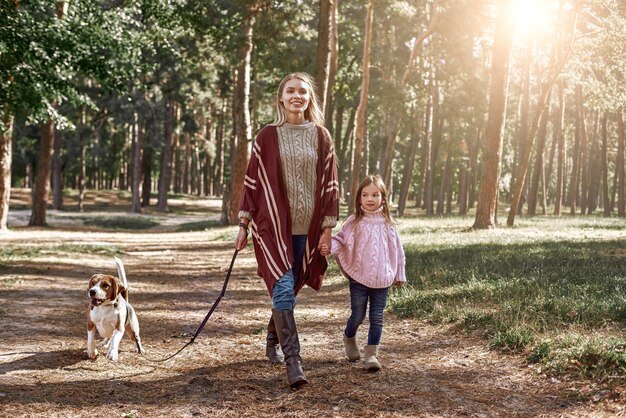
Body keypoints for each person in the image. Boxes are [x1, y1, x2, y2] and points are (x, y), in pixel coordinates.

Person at [235, 72, 339, 388]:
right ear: (281, 97)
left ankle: (272, 336)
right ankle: (294, 362)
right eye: (290, 91)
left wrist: (326, 229)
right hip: (271, 228)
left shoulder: (322, 137)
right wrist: (243, 224)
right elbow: (253, 182)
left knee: (290, 289)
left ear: (309, 99)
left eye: (303, 92)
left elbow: (331, 186)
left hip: (306, 230)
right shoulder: (266, 137)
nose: (297, 96)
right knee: (282, 285)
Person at [328, 175, 406, 372]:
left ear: (383, 198)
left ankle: (371, 354)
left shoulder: (389, 223)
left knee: (377, 317)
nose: (370, 199)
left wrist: (399, 274)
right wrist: (329, 246)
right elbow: (341, 240)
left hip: (383, 277)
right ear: (359, 199)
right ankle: (349, 336)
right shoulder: (354, 222)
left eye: (374, 195)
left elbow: (398, 250)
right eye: (365, 195)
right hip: (359, 277)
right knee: (358, 315)